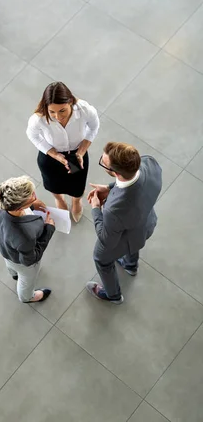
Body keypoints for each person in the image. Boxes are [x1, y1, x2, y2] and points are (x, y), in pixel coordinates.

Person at [86, 142, 162, 304]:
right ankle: (130, 265)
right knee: (132, 242)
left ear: (115, 172)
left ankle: (113, 295)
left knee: (101, 259)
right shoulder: (150, 162)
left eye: (103, 162)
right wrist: (110, 187)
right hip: (147, 223)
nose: (101, 161)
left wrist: (96, 208)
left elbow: (106, 238)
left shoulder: (114, 210)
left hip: (126, 237)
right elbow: (135, 179)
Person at [26, 82, 99, 223]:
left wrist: (82, 151)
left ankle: (76, 202)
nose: (57, 117)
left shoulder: (85, 110)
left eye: (62, 111)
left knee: (77, 185)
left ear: (70, 102)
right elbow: (32, 135)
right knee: (53, 184)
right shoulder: (38, 118)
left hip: (76, 155)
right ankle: (60, 200)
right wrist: (54, 154)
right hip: (51, 157)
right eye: (52, 112)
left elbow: (94, 127)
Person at [0, 176, 55, 303]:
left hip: (3, 246)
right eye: (32, 196)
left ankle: (14, 274)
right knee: (27, 277)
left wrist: (31, 205)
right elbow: (29, 259)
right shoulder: (24, 236)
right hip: (21, 260)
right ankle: (27, 297)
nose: (35, 196)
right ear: (19, 208)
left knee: (10, 262)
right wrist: (49, 229)